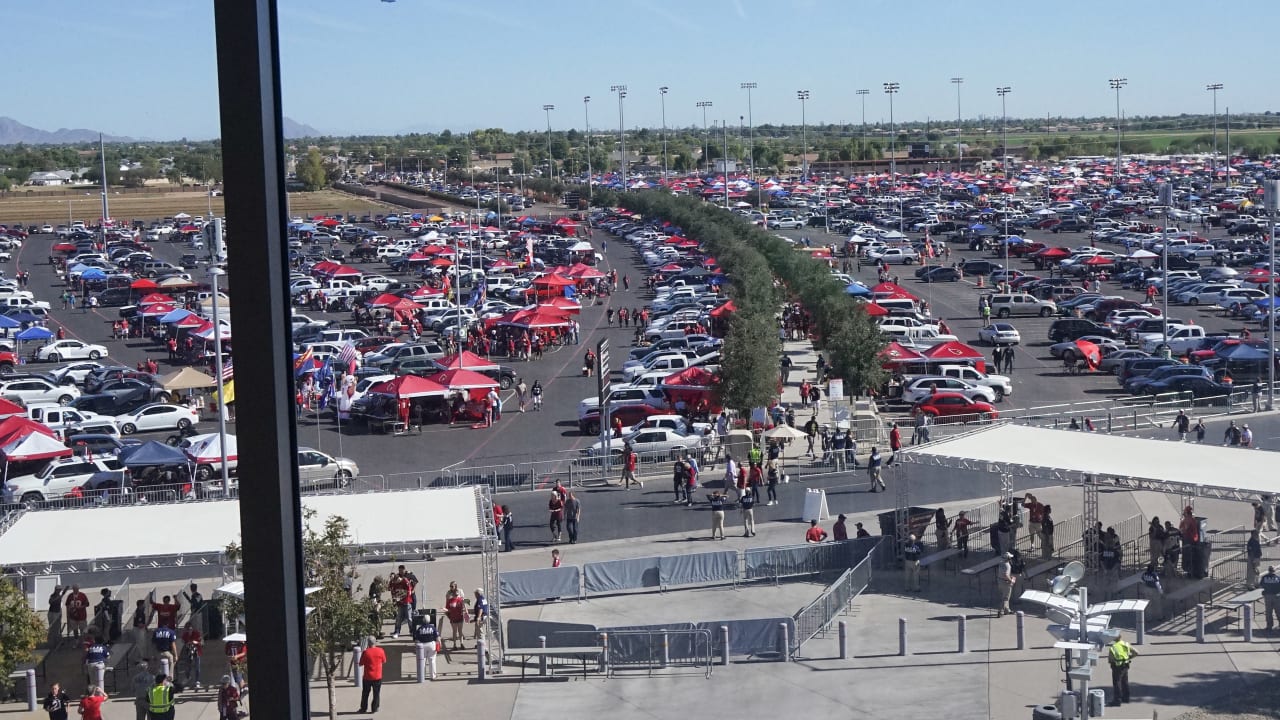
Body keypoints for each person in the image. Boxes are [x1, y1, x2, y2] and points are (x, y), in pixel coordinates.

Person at [1108, 632, 1138, 706]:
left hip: (1117, 667)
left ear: (1114, 638)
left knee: (1117, 683)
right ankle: (1126, 698)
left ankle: (1117, 700)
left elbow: (1110, 659)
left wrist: (1112, 662)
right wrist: (1129, 657)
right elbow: (1136, 652)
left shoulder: (1113, 647)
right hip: (1126, 665)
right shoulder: (1126, 644)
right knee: (1125, 681)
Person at [357, 636, 386, 714]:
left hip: (367, 677)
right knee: (376, 693)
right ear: (375, 642)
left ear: (368, 643)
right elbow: (384, 661)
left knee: (365, 693)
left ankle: (363, 708)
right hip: (377, 676)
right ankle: (375, 708)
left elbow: (360, 664)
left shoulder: (366, 652)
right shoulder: (381, 651)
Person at [411, 613, 440, 680]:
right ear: (429, 620)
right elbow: (437, 637)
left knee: (422, 661)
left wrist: (416, 647)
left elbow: (416, 639)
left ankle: (422, 676)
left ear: (423, 620)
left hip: (422, 646)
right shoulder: (433, 628)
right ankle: (433, 676)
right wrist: (438, 643)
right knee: (432, 660)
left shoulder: (420, 629)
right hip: (431, 645)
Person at [444, 582, 467, 650]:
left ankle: (462, 643)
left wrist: (465, 612)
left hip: (460, 617)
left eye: (452, 586)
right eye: (450, 586)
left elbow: (464, 604)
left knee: (460, 631)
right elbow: (446, 607)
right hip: (453, 617)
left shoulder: (460, 595)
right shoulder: (449, 596)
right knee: (454, 631)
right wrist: (449, 615)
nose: (451, 588)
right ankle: (454, 645)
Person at [181, 621, 203, 688]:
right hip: (189, 651)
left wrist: (196, 642)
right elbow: (183, 642)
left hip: (196, 651)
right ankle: (188, 677)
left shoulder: (197, 633)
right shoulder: (185, 635)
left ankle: (197, 681)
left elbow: (201, 643)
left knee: (197, 667)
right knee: (187, 666)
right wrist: (187, 644)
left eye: (190, 629)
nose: (189, 631)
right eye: (188, 630)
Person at [996, 551, 1016, 617]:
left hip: (1000, 581)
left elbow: (1002, 573)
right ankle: (1000, 611)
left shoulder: (1001, 563)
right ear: (1008, 558)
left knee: (1004, 596)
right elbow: (1006, 575)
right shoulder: (1007, 565)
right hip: (1005, 582)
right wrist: (1011, 580)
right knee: (1005, 598)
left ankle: (1007, 610)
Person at [1261, 565, 1280, 632]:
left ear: (1268, 570)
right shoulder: (1278, 578)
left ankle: (1269, 626)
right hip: (1277, 596)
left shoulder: (1264, 577)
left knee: (1269, 612)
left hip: (1268, 596)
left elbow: (1261, 585)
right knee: (1278, 611)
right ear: (1274, 571)